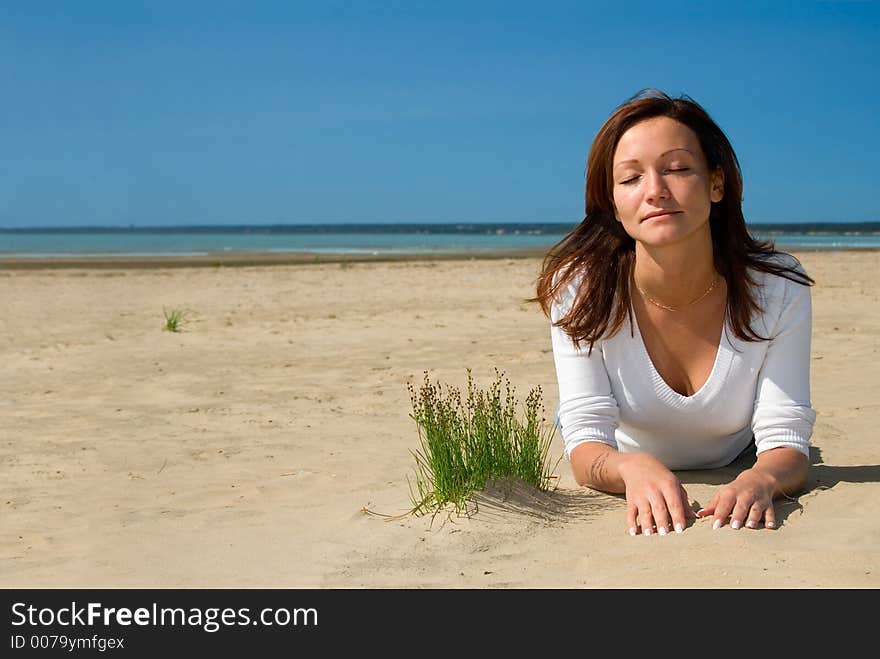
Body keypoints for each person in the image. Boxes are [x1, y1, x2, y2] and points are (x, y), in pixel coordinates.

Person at [532, 89, 816, 536]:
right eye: (630, 179)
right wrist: (631, 469)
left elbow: (787, 439)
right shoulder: (582, 290)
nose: (655, 192)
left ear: (716, 183)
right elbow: (587, 443)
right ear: (612, 202)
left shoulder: (776, 288)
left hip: (736, 452)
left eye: (678, 169)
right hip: (625, 451)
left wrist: (761, 478)